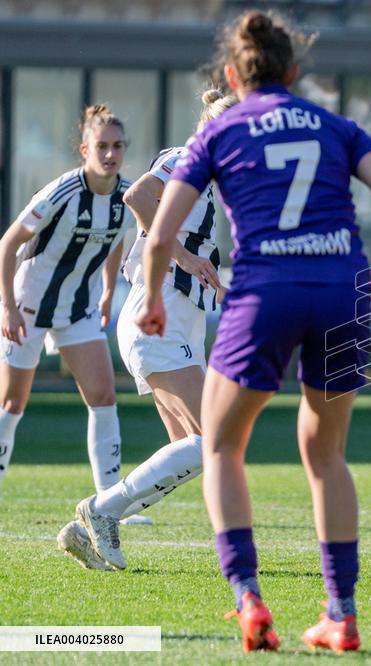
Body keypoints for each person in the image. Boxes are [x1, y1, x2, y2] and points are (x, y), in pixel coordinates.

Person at [137, 11, 371, 654]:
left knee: (222, 448)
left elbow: (157, 234)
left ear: (232, 75)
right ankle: (340, 614)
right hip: (344, 289)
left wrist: (151, 297)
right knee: (326, 456)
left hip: (266, 291)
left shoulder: (220, 129)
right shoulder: (337, 126)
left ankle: (249, 600)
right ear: (293, 72)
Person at [57, 90, 239, 573]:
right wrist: (184, 256)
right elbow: (135, 195)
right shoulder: (187, 158)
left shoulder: (210, 176)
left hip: (175, 322)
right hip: (159, 317)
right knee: (213, 440)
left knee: (197, 450)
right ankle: (102, 510)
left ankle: (90, 524)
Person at [0, 105, 134, 501]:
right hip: (28, 304)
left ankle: (108, 500)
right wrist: (7, 306)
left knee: (104, 396)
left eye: (117, 146)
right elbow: (8, 245)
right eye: (102, 146)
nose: (110, 154)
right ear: (84, 150)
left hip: (78, 309)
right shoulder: (62, 192)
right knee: (12, 402)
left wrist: (109, 290)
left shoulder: (127, 197)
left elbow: (115, 241)